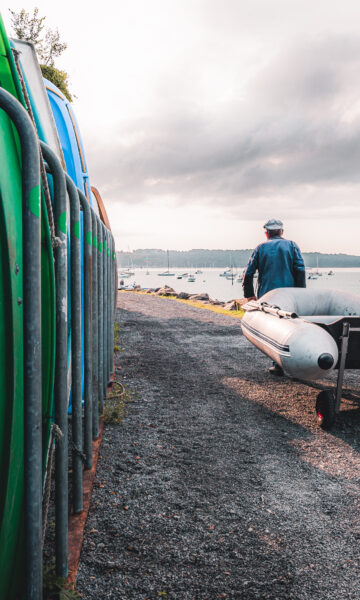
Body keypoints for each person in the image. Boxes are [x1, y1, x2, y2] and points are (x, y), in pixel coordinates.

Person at [242, 218, 306, 375]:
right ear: (282, 232)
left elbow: (248, 273)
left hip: (268, 294)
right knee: (292, 326)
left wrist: (250, 295)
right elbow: (300, 270)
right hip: (290, 294)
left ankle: (278, 365)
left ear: (266, 233)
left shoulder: (260, 248)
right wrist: (301, 293)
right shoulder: (292, 245)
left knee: (273, 328)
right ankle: (297, 362)